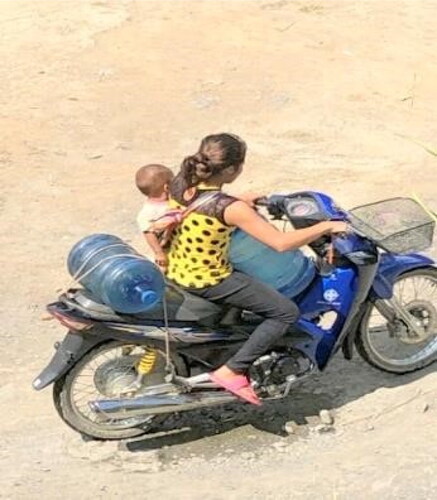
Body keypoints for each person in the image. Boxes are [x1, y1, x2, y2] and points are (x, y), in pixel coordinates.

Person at [167, 133, 347, 405]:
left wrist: (238, 202)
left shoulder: (182, 183)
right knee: (285, 312)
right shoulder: (231, 208)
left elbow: (208, 206)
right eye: (240, 165)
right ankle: (233, 371)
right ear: (230, 170)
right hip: (210, 278)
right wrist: (326, 226)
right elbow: (281, 243)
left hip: (178, 267)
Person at [135, 164, 174, 271]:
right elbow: (149, 234)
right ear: (167, 187)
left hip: (178, 242)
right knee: (165, 267)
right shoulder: (148, 213)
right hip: (165, 246)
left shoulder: (172, 201)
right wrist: (159, 253)